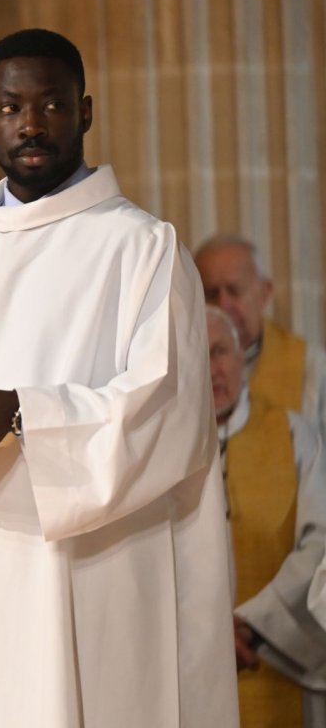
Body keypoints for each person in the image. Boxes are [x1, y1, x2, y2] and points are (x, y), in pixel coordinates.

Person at [0, 28, 237, 727]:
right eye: (11, 108)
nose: (31, 124)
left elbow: (167, 412)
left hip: (102, 569)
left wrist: (18, 411)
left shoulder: (142, 249)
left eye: (52, 106)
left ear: (86, 112)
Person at [208, 306, 326, 727]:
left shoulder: (294, 434)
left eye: (220, 351)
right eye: (197, 355)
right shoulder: (167, 453)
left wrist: (253, 624)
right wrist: (206, 636)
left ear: (243, 358)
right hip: (198, 665)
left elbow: (320, 542)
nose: (212, 368)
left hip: (281, 659)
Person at [195, 234, 326, 441]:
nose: (223, 304)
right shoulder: (179, 366)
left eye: (234, 291)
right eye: (211, 293)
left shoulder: (310, 367)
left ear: (264, 293)